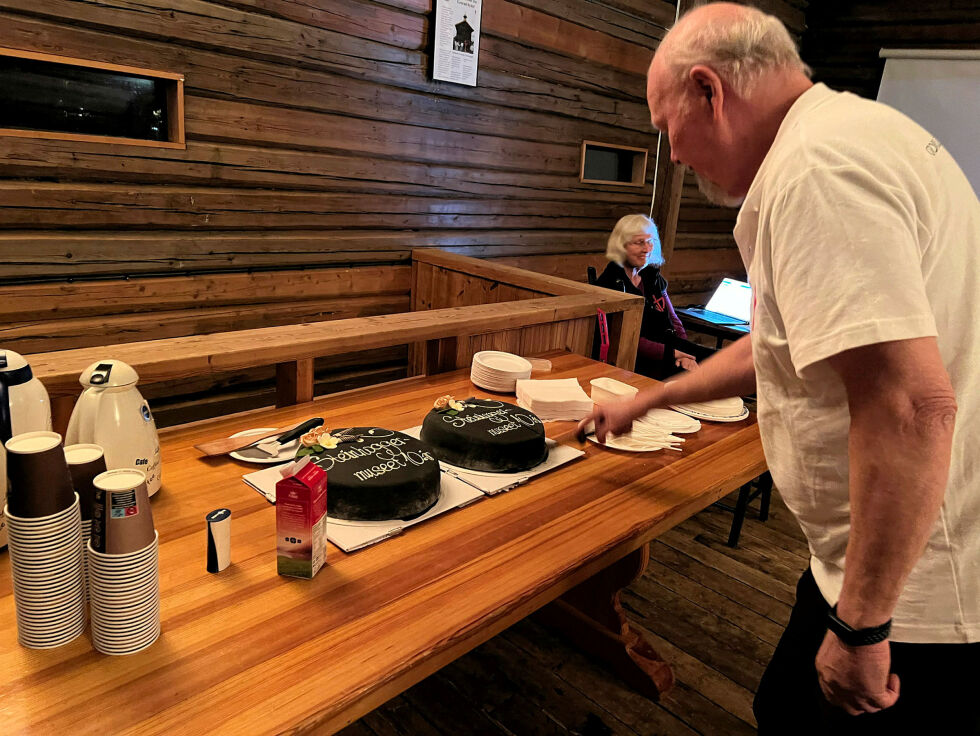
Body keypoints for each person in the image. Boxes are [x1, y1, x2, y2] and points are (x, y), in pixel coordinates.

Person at [580, 3, 980, 734]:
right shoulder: (855, 134)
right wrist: (651, 401)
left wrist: (861, 626)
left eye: (668, 128)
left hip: (915, 588)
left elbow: (914, 409)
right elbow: (776, 343)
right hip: (882, 558)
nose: (673, 155)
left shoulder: (816, 171)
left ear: (710, 90)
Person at [593, 214, 698, 378]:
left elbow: (674, 320)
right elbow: (624, 338)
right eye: (639, 242)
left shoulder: (652, 276)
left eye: (650, 242)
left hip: (668, 350)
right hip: (635, 360)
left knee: (717, 362)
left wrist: (685, 353)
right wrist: (674, 354)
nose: (647, 249)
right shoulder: (610, 283)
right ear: (621, 245)